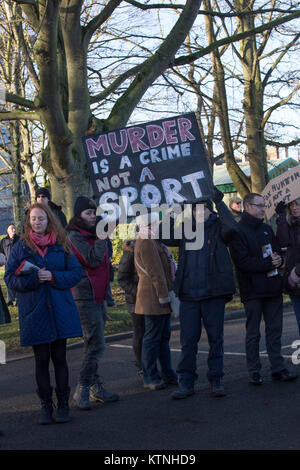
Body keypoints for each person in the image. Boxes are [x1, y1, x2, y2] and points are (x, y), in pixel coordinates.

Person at [4, 203, 83, 425]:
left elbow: (76, 273)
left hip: (60, 310)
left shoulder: (61, 244)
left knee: (60, 358)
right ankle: (46, 406)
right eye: (33, 219)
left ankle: (63, 406)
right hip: (35, 311)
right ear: (28, 221)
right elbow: (9, 278)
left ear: (49, 220)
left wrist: (54, 277)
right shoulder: (20, 247)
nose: (37, 222)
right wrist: (34, 279)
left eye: (41, 218)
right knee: (41, 360)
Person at [160, 187, 237, 399]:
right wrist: (176, 209)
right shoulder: (185, 229)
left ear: (210, 211)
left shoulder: (218, 228)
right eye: (195, 209)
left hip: (214, 294)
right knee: (188, 341)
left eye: (204, 208)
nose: (200, 212)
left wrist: (220, 202)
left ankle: (216, 379)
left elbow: (233, 229)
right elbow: (161, 234)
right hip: (189, 295)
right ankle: (186, 382)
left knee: (216, 339)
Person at [230, 193, 297, 385]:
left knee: (275, 331)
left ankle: (278, 368)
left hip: (272, 288)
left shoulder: (267, 228)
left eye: (264, 205)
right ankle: (254, 370)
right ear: (248, 206)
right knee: (253, 333)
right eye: (259, 206)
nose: (262, 209)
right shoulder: (238, 231)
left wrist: (280, 261)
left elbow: (278, 253)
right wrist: (269, 263)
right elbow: (242, 262)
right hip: (252, 291)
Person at [67, 196, 119, 409]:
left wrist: (106, 298)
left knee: (93, 343)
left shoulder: (94, 234)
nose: (92, 217)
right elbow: (92, 260)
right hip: (84, 295)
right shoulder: (74, 236)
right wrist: (101, 237)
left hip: (98, 296)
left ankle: (96, 388)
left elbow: (106, 266)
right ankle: (82, 389)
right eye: (88, 213)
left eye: (94, 213)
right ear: (78, 215)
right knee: (96, 344)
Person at [134, 213, 177, 390]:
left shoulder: (151, 239)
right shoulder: (146, 241)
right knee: (153, 338)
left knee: (161, 337)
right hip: (153, 296)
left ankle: (167, 373)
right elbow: (156, 272)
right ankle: (150, 376)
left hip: (155, 295)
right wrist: (164, 296)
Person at [117, 239, 144, 378]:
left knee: (152, 335)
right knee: (140, 333)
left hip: (151, 300)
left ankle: (151, 366)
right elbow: (122, 278)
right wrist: (139, 292)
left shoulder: (153, 245)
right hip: (136, 301)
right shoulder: (130, 252)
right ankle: (141, 367)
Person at [276, 198, 300, 334]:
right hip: (294, 281)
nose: (294, 208)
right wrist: (281, 216)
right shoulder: (289, 225)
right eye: (291, 205)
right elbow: (282, 241)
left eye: (297, 204)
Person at [0, 223, 20, 305]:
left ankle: (18, 300)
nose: (13, 230)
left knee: (18, 282)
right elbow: (1, 252)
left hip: (18, 264)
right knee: (9, 282)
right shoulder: (4, 241)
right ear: (7, 230)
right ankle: (10, 300)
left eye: (14, 228)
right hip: (8, 265)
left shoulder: (19, 239)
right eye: (11, 228)